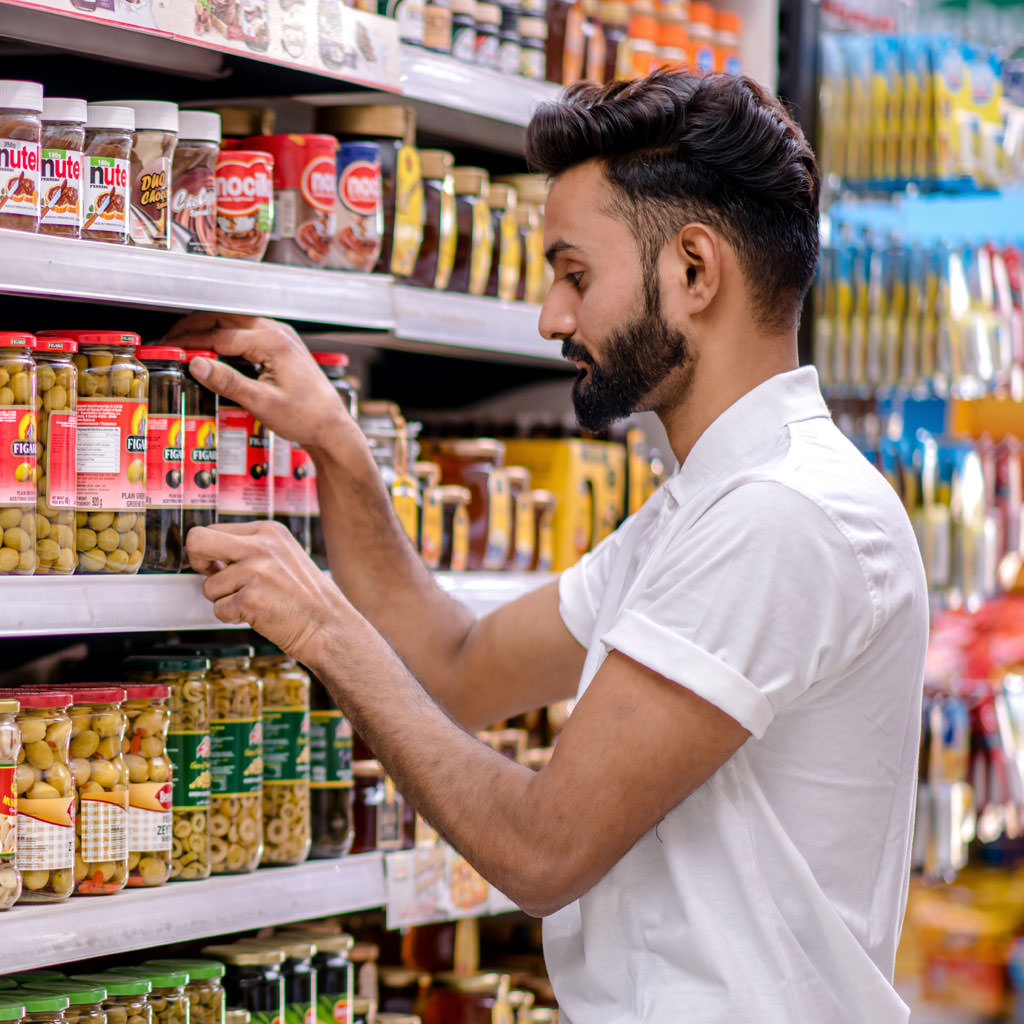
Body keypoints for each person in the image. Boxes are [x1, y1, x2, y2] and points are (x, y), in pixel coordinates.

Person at [170, 70, 928, 1022]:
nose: (551, 317)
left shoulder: (781, 516)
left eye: (576, 274)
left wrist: (326, 630)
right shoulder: (705, 507)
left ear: (694, 270)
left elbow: (542, 850)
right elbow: (456, 665)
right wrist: (338, 447)